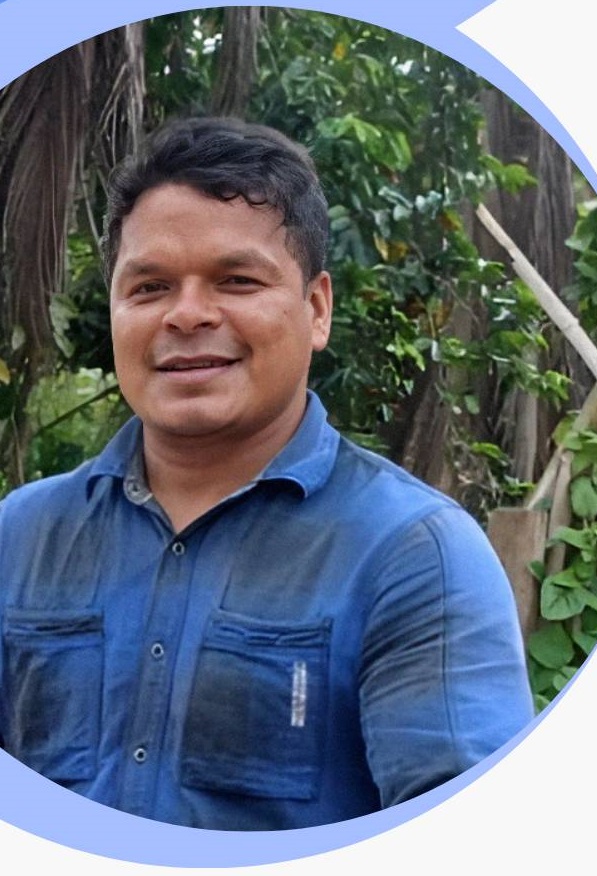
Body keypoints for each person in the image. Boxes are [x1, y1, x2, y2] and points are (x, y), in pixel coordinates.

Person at [0, 116, 534, 831]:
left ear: (316, 310)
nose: (187, 314)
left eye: (237, 280)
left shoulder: (413, 556)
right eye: (151, 286)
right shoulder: (22, 536)